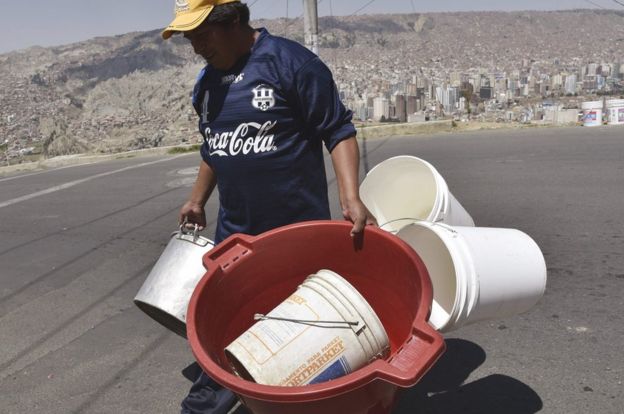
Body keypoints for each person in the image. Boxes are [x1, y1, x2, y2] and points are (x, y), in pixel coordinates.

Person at [162, 1, 376, 412]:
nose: (197, 47)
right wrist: (196, 198)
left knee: (296, 339)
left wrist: (351, 196)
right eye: (191, 38)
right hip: (235, 238)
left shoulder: (291, 64)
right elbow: (214, 147)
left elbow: (337, 129)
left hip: (294, 239)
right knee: (228, 333)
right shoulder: (207, 85)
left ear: (235, 20)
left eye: (203, 34)